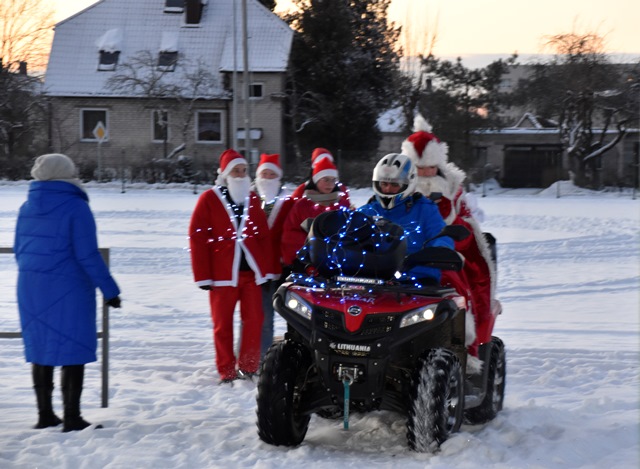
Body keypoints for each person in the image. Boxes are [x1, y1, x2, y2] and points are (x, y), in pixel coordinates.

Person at [14, 153, 121, 432]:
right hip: (68, 288)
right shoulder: (76, 207)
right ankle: (72, 417)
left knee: (41, 350)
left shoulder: (27, 206)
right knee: (72, 350)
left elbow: (19, 249)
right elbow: (87, 255)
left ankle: (45, 414)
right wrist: (110, 290)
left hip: (30, 287)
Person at [401, 115, 496, 372]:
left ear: (438, 166)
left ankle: (464, 346)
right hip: (399, 257)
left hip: (443, 256)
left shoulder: (452, 191)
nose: (424, 174)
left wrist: (451, 230)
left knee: (456, 287)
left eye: (429, 168)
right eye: (418, 169)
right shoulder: (397, 190)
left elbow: (465, 227)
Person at [188, 149, 276, 384]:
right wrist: (203, 276)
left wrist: (266, 270)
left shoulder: (252, 199)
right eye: (235, 170)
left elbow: (263, 237)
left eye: (243, 170)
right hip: (222, 275)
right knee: (222, 325)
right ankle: (226, 370)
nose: (239, 174)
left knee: (255, 320)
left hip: (250, 274)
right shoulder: (209, 198)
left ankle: (247, 367)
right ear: (225, 173)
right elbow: (197, 237)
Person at [357, 153, 453, 285]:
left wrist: (441, 250)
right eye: (384, 184)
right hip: (373, 281)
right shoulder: (365, 212)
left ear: (409, 184)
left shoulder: (426, 210)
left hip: (417, 280)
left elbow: (440, 234)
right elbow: (347, 240)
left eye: (395, 185)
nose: (388, 189)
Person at [252, 153, 294, 357]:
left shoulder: (289, 201)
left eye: (272, 174)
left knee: (292, 317)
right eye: (264, 174)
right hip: (256, 270)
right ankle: (261, 358)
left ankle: (293, 356)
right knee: (261, 318)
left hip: (282, 269)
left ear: (278, 177)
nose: (267, 178)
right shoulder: (248, 200)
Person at [281, 157, 351, 270]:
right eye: (326, 179)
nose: (330, 184)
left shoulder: (342, 205)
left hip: (338, 265)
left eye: (333, 180)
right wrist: (303, 258)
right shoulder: (302, 205)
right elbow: (290, 235)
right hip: (307, 265)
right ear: (316, 180)